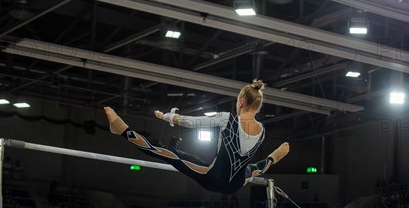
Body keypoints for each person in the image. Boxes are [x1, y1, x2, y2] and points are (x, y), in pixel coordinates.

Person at [104, 80, 290, 194]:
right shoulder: (262, 131)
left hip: (213, 178)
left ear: (241, 101)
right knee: (255, 168)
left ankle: (121, 129)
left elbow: (190, 122)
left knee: (169, 154)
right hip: (236, 185)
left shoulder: (228, 119)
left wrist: (167, 116)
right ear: (257, 106)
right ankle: (276, 155)